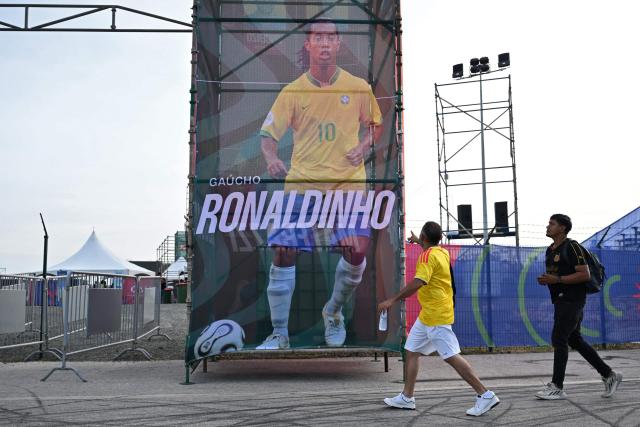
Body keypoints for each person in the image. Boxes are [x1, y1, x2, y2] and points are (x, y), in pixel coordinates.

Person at [256, 19, 383, 350]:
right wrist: (271, 158)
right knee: (284, 251)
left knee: (356, 250)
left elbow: (375, 125)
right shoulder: (293, 91)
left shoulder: (358, 87)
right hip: (302, 185)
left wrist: (364, 145)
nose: (325, 42)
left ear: (339, 44)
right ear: (308, 45)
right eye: (318, 37)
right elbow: (268, 135)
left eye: (331, 37)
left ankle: (334, 311)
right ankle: (279, 333)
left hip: (347, 185)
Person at [378, 221, 500, 416]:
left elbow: (419, 282)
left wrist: (392, 300)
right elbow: (430, 249)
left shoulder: (428, 256)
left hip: (436, 315)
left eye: (421, 237)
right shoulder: (440, 252)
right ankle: (407, 397)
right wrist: (419, 241)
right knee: (411, 350)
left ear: (425, 238)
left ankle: (485, 394)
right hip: (428, 314)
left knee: (451, 356)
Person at [535, 214, 622, 399]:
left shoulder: (572, 246)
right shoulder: (550, 250)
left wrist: (557, 279)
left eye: (552, 224)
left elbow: (585, 274)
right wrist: (548, 280)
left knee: (559, 338)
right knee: (574, 339)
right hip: (560, 300)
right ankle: (609, 375)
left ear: (563, 228)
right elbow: (557, 276)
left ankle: (557, 386)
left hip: (572, 300)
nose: (548, 226)